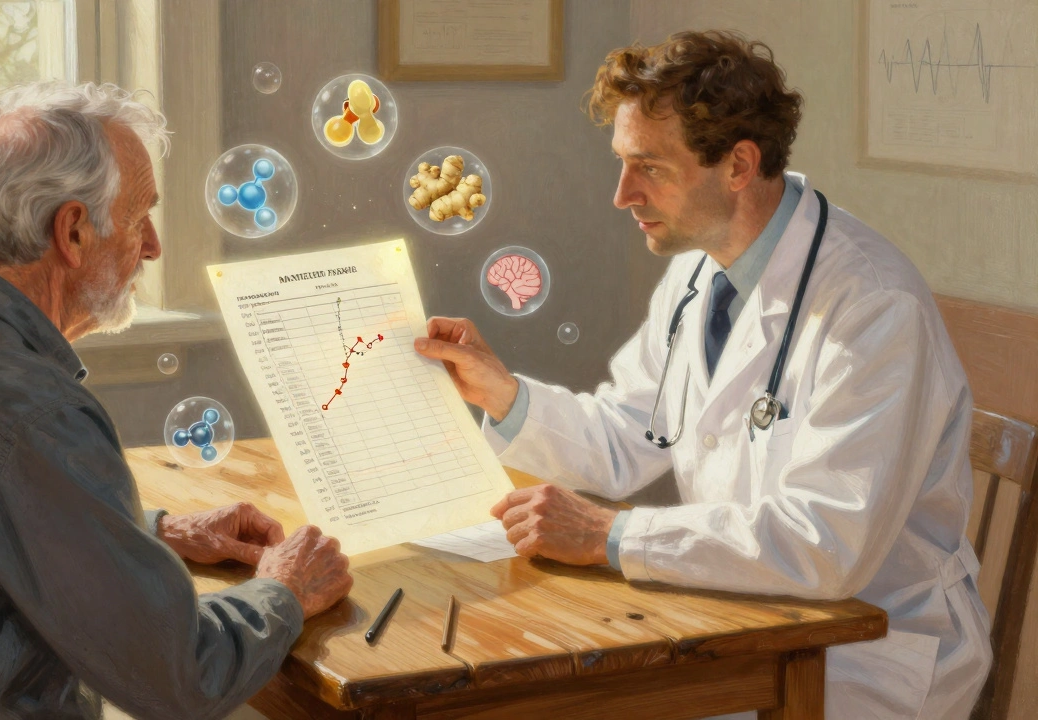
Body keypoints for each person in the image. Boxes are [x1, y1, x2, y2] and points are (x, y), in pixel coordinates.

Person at [415, 31, 990, 719]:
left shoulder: (872, 307)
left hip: (867, 652)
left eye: (649, 167)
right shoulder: (698, 269)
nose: (622, 194)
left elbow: (824, 544)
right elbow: (632, 430)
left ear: (739, 166)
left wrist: (612, 537)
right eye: (622, 163)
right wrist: (500, 393)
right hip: (742, 622)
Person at [0, 81, 352, 720]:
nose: (154, 246)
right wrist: (284, 589)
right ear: (72, 232)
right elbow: (184, 677)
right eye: (140, 219)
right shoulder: (25, 412)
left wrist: (155, 530)